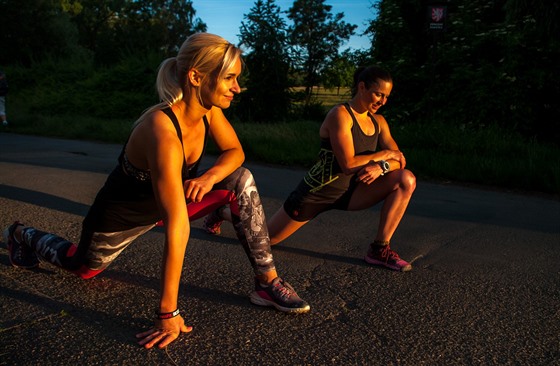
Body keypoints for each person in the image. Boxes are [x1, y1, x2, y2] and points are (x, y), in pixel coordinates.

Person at [2, 33, 310, 350]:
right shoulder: (160, 130)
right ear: (195, 76)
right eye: (230, 78)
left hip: (172, 202)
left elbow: (234, 151)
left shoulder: (209, 109)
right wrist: (168, 311)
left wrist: (209, 178)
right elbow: (176, 224)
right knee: (83, 269)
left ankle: (266, 281)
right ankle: (21, 233)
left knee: (239, 180)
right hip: (124, 217)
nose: (237, 88)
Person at [204, 66, 416, 272]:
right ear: (362, 87)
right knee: (267, 240)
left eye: (386, 96)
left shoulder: (379, 121)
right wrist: (384, 155)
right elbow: (349, 164)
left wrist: (383, 167)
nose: (383, 101)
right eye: (378, 94)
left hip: (353, 192)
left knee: (406, 179)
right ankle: (221, 212)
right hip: (318, 191)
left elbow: (399, 160)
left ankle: (379, 249)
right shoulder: (340, 115)